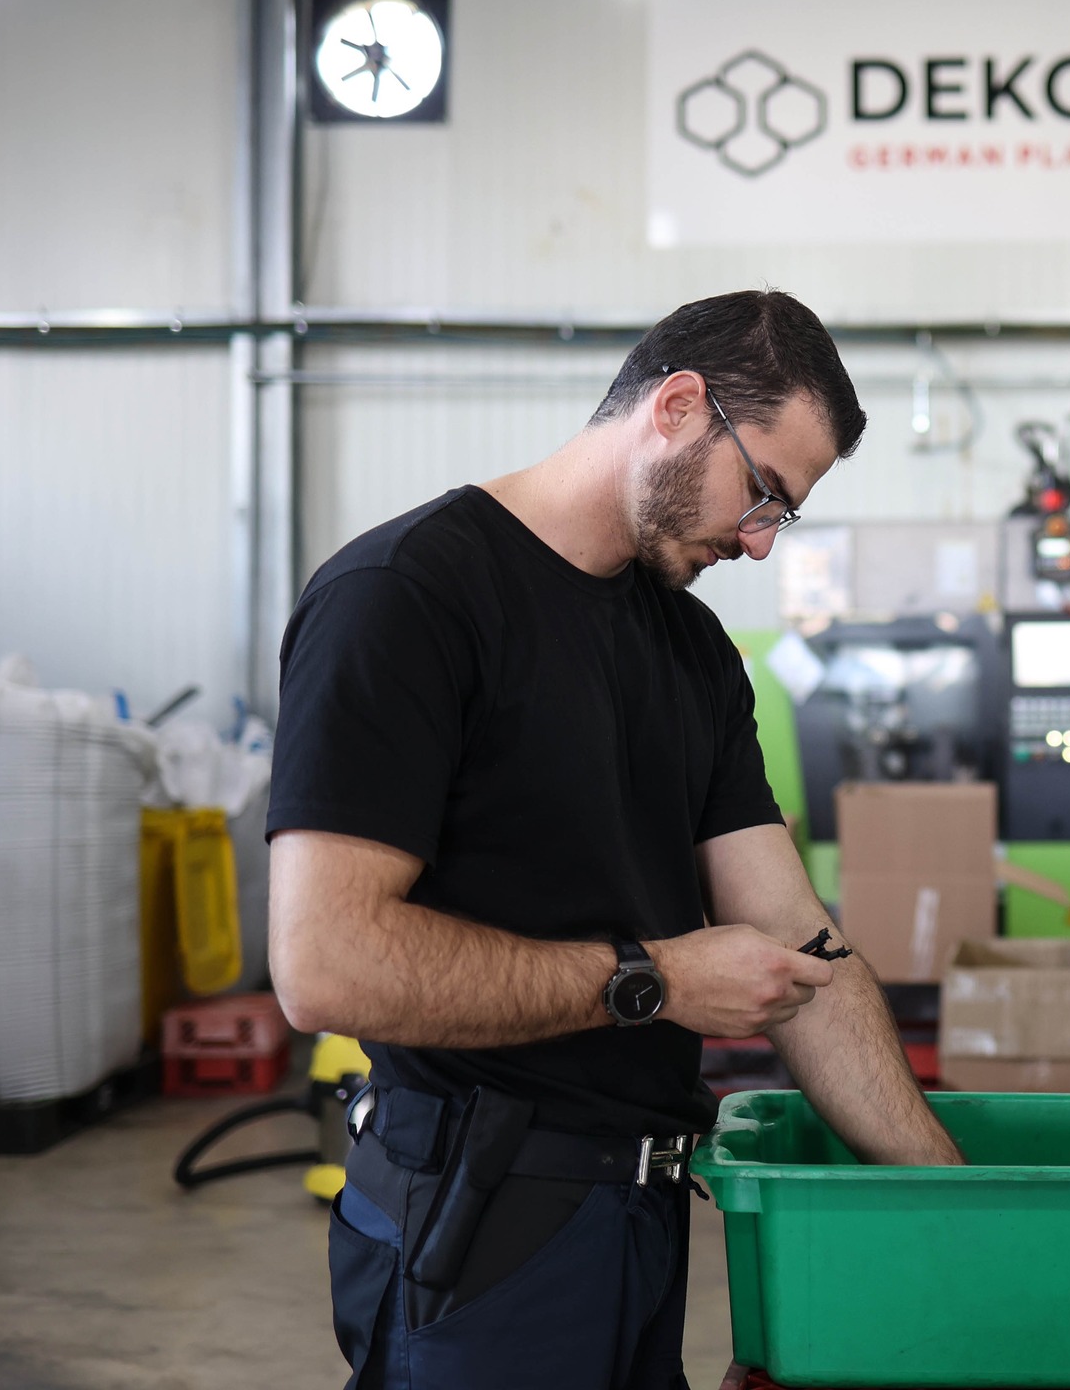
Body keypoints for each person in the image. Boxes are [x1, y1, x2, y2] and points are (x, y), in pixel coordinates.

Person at [266, 290, 961, 1390]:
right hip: (479, 1223)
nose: (758, 541)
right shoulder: (407, 598)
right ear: (677, 407)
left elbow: (802, 951)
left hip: (640, 1217)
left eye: (782, 517)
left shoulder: (692, 653)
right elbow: (325, 965)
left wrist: (958, 1202)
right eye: (763, 494)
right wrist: (656, 981)